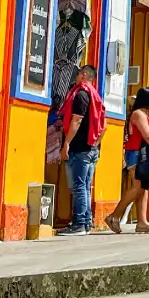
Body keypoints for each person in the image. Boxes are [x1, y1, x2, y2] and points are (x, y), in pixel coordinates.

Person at [58, 65, 106, 236]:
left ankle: (79, 224)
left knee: (79, 186)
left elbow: (76, 120)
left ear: (84, 75)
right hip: (92, 149)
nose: (76, 77)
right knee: (85, 186)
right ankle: (86, 221)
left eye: (78, 73)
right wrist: (95, 143)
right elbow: (104, 126)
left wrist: (67, 143)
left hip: (80, 148)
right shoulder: (95, 96)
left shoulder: (81, 95)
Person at [106, 88, 149, 234]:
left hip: (141, 153)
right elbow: (147, 135)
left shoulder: (142, 114)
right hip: (136, 153)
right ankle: (114, 216)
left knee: (143, 187)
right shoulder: (138, 114)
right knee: (137, 187)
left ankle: (142, 221)